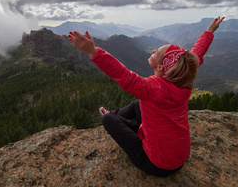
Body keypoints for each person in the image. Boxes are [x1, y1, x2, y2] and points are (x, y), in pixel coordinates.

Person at [68, 16, 224, 177]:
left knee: (108, 120)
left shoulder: (153, 89)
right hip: (179, 158)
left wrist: (93, 52)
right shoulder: (182, 78)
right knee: (137, 104)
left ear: (161, 66)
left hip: (157, 164)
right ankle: (118, 116)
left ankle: (112, 116)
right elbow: (195, 55)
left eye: (157, 52)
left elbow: (125, 76)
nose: (153, 51)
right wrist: (209, 31)